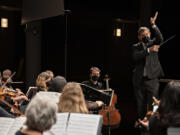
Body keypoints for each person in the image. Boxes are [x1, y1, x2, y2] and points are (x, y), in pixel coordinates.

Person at [132, 12, 164, 120]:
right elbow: (136, 57)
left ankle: (151, 126)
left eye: (147, 34)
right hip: (139, 80)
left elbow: (160, 37)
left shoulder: (154, 42)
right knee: (140, 106)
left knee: (153, 105)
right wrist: (148, 50)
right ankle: (142, 126)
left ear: (150, 34)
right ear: (139, 37)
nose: (145, 36)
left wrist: (153, 25)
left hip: (152, 80)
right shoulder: (136, 47)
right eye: (143, 34)